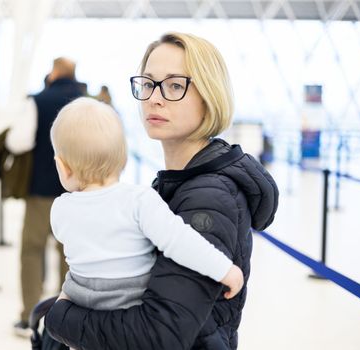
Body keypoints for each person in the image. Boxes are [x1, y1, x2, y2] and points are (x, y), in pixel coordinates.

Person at [45, 32, 279, 349]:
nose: (155, 98)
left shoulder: (210, 198)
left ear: (209, 96)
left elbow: (159, 336)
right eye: (148, 83)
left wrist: (58, 318)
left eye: (174, 86)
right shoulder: (175, 182)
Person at [49, 97, 244, 311]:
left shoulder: (61, 209)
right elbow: (180, 241)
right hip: (131, 301)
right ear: (123, 159)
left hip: (81, 299)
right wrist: (225, 269)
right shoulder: (139, 200)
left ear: (62, 168)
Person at [14, 57, 84, 337]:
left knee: (32, 248)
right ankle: (71, 311)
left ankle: (29, 314)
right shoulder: (85, 102)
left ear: (53, 72)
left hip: (42, 189)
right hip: (78, 191)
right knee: (71, 252)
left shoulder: (37, 101)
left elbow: (19, 142)